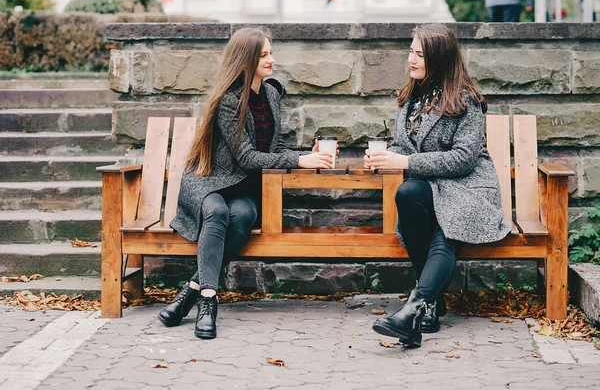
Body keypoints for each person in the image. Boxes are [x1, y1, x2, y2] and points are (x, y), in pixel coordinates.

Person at [158, 27, 335, 339]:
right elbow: (247, 157)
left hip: (245, 187)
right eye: (264, 55)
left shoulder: (269, 94)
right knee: (217, 213)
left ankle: (191, 290)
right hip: (210, 181)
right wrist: (299, 161)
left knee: (243, 215)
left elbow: (275, 150)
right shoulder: (229, 100)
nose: (272, 60)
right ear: (246, 59)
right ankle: (208, 302)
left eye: (270, 53)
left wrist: (307, 154)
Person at [366, 24, 510, 348]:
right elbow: (405, 147)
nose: (410, 59)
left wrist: (404, 163)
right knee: (407, 192)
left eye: (419, 54)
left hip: (469, 189)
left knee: (447, 227)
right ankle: (427, 305)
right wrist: (385, 156)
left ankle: (416, 308)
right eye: (411, 51)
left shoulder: (465, 100)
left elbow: (463, 159)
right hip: (433, 187)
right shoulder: (411, 97)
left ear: (438, 58)